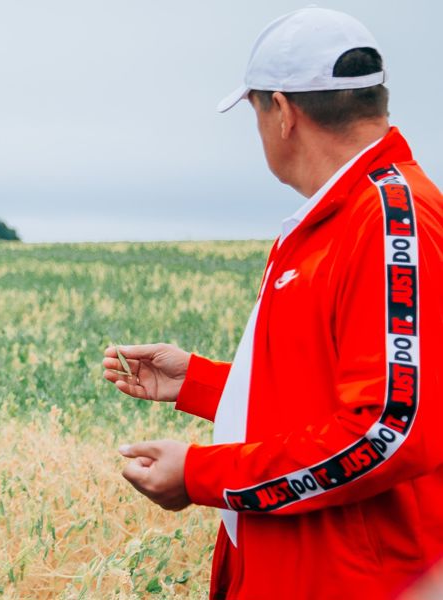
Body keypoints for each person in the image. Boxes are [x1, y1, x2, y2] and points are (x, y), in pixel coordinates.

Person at [103, 8, 443, 599]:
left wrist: (201, 474)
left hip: (351, 582)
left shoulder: (392, 225)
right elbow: (334, 397)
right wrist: (201, 384)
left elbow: (387, 432)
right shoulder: (332, 220)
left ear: (283, 112)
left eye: (255, 112)